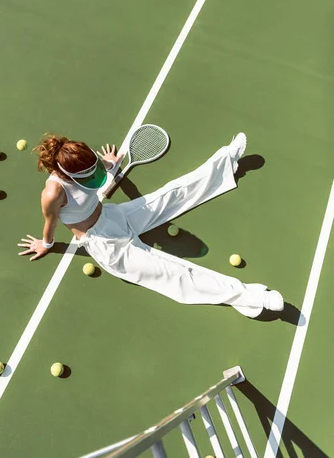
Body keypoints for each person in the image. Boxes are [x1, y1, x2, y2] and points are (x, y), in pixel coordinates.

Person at [18, 132, 284, 318]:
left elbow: (105, 170)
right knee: (174, 273)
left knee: (170, 193)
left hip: (113, 216)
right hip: (107, 246)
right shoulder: (52, 193)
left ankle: (226, 163)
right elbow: (50, 223)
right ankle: (250, 298)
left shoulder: (86, 164)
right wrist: (47, 244)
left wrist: (112, 161)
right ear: (67, 173)